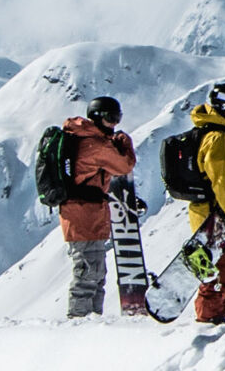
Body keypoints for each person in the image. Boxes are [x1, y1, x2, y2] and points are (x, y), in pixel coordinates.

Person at [48, 96, 138, 318]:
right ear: (98, 118)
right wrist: (124, 142)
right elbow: (124, 165)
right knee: (88, 272)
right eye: (110, 118)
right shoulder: (94, 144)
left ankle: (92, 320)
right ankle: (79, 320)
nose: (114, 124)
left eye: (118, 117)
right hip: (82, 215)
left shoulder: (88, 139)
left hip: (88, 215)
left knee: (96, 273)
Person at [175, 82, 225, 323]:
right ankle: (210, 319)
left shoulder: (222, 135)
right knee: (220, 271)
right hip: (212, 214)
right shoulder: (217, 138)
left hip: (222, 213)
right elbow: (220, 184)